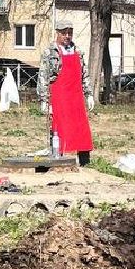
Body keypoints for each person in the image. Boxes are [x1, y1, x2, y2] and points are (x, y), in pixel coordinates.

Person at [37, 22, 93, 166]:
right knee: (58, 128)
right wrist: (44, 100)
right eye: (64, 33)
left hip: (76, 97)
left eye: (70, 33)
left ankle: (84, 161)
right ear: (58, 33)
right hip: (59, 96)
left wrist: (89, 94)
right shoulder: (50, 52)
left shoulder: (77, 51)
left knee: (81, 127)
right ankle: (57, 160)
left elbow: (84, 74)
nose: (67, 36)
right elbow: (43, 76)